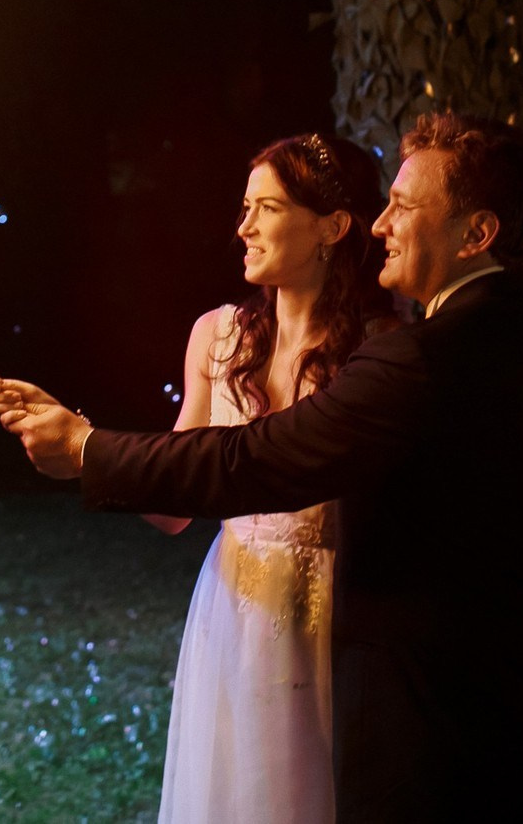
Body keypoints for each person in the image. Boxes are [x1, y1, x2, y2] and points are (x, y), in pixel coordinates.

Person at [0, 113, 523, 823]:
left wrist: (87, 447)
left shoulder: (410, 360)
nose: (381, 224)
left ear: (476, 234)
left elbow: (255, 459)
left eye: (404, 207)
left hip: (427, 753)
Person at [149, 133, 392, 823]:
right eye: (244, 207)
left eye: (267, 208)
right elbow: (171, 505)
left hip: (332, 620)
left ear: (333, 227)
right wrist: (78, 449)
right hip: (230, 611)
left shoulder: (377, 356)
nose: (243, 227)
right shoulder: (218, 338)